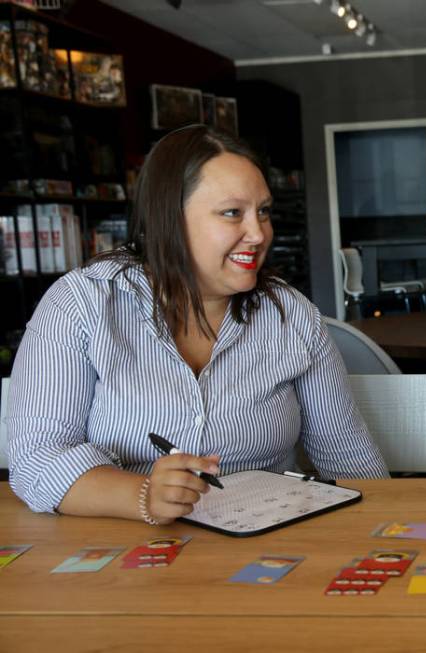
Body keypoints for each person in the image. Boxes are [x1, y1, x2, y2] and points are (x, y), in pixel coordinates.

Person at [5, 125, 388, 525]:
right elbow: (36, 461)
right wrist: (143, 496)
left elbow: (347, 458)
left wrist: (390, 535)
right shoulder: (81, 305)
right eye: (232, 213)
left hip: (266, 547)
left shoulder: (293, 317)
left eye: (263, 211)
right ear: (170, 218)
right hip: (122, 554)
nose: (258, 234)